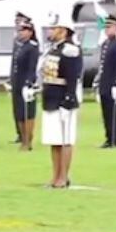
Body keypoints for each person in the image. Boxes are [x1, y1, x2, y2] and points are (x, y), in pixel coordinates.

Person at [38, 12, 83, 188]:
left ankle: (63, 176)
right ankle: (55, 175)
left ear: (64, 31)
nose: (51, 31)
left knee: (65, 140)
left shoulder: (70, 49)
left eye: (54, 28)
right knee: (54, 140)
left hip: (64, 98)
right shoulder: (53, 48)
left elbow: (73, 77)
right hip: (50, 97)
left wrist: (68, 99)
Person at [95, 14, 116, 148]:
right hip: (104, 83)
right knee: (106, 113)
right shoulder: (105, 44)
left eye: (110, 27)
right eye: (106, 27)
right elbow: (102, 66)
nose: (107, 30)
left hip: (113, 83)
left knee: (115, 113)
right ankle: (109, 137)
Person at [13, 19, 40, 151]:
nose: (21, 33)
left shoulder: (33, 46)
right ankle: (22, 138)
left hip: (27, 82)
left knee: (28, 113)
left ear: (30, 32)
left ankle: (28, 141)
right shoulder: (20, 46)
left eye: (24, 30)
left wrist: (29, 83)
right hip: (17, 82)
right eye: (21, 30)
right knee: (19, 112)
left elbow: (32, 67)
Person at [8, 11, 31, 145]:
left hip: (24, 79)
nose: (17, 24)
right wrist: (10, 77)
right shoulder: (16, 39)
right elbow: (14, 60)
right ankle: (19, 133)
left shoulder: (30, 41)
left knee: (24, 109)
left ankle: (26, 135)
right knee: (16, 108)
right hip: (16, 78)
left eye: (19, 21)